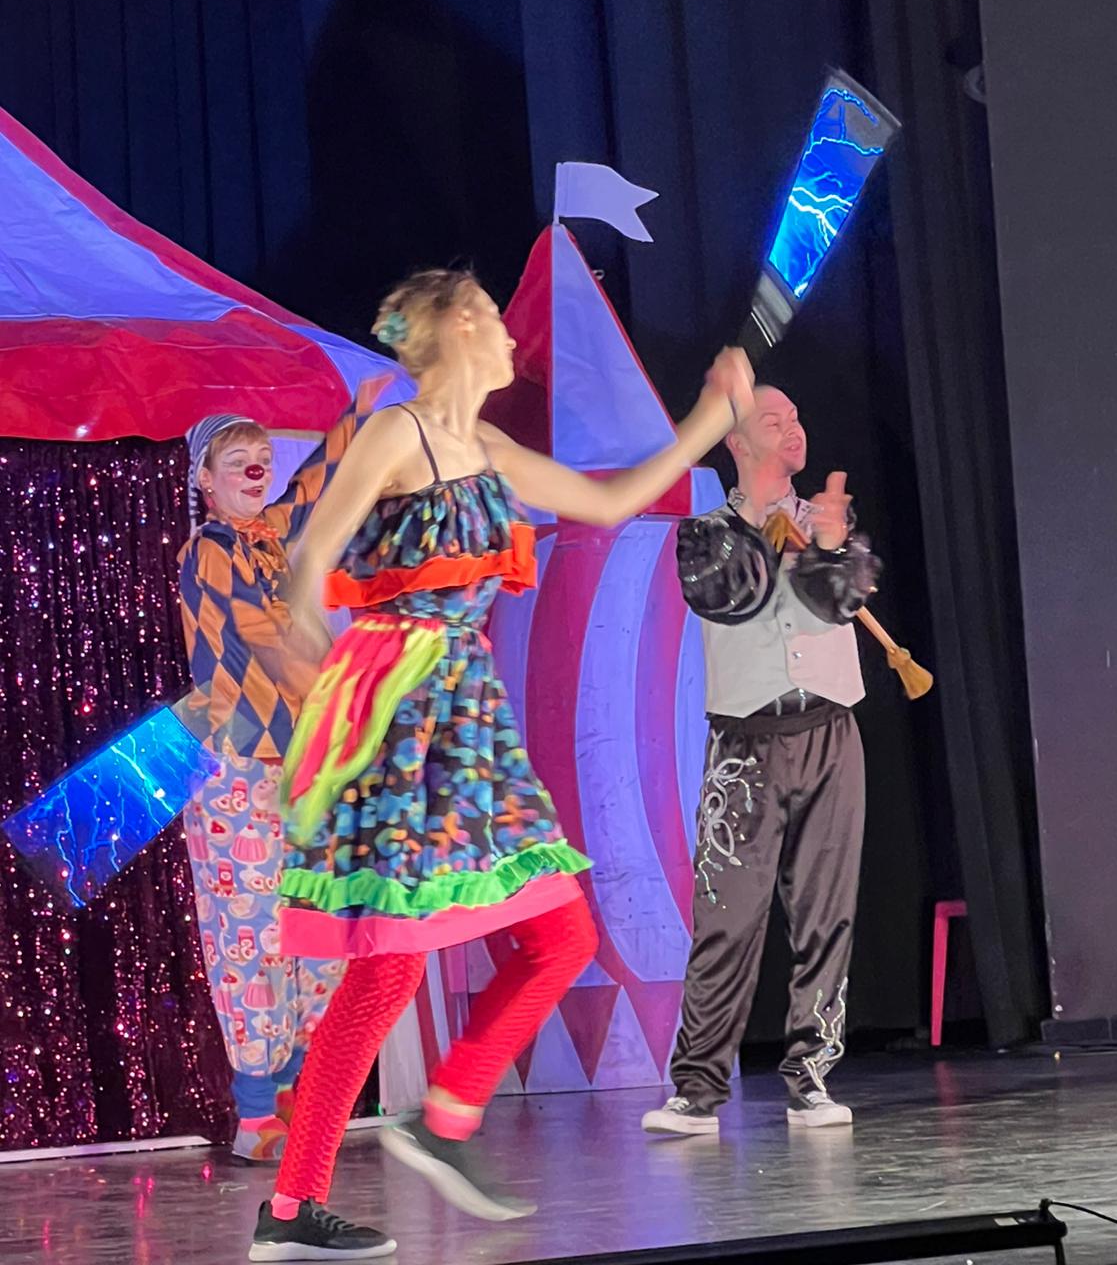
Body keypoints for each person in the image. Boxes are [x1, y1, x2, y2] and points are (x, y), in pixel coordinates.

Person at [247, 267, 754, 1262]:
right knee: (389, 970)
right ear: (451, 330)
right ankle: (304, 1201)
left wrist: (711, 415)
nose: (509, 334)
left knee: (558, 934)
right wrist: (313, 657)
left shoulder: (492, 452)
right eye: (488, 316)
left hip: (468, 724)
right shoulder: (398, 433)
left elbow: (612, 497)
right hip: (399, 712)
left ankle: (435, 1121)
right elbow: (312, 556)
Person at [642, 385, 880, 1138]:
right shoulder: (706, 533)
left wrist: (830, 547)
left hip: (830, 734)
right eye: (774, 421)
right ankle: (697, 1088)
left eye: (797, 416)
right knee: (728, 917)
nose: (793, 428)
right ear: (738, 441)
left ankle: (812, 1078)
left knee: (825, 913)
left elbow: (841, 602)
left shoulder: (830, 521)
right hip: (747, 745)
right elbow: (731, 597)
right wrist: (780, 534)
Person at [178, 383, 383, 1162]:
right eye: (238, 458)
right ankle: (256, 1111)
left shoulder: (264, 537)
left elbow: (308, 490)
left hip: (299, 761)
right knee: (253, 938)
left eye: (261, 455)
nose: (256, 466)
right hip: (237, 761)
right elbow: (267, 639)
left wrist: (355, 418)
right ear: (205, 478)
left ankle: (297, 1086)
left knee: (315, 927)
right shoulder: (209, 549)